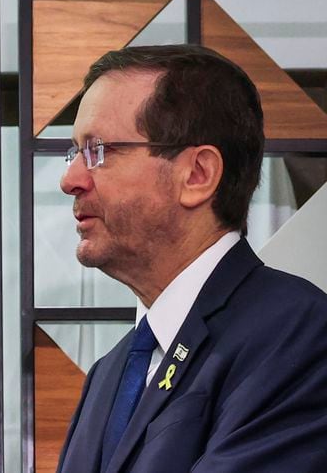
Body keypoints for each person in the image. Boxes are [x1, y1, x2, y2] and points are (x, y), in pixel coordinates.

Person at [56, 44, 327, 472]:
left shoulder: (300, 334)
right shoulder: (108, 374)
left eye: (98, 151)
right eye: (74, 153)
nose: (70, 180)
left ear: (198, 175)